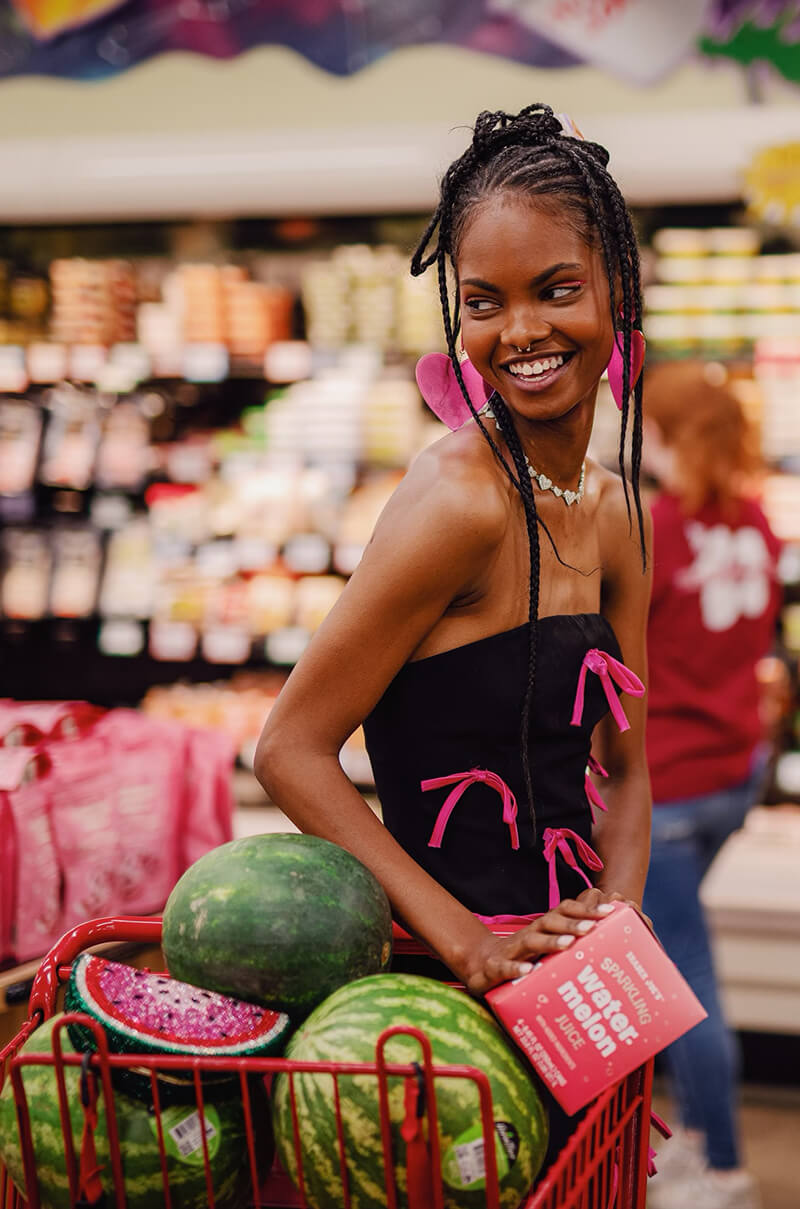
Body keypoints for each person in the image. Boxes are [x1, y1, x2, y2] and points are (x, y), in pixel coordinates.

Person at [256, 102, 652, 1164]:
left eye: (554, 290)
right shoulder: (455, 503)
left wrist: (609, 957)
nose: (517, 332)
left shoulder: (613, 509)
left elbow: (627, 769)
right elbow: (290, 749)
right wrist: (471, 947)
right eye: (482, 303)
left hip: (567, 997)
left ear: (618, 289)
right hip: (434, 1003)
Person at [641, 362, 781, 1209]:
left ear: (666, 436)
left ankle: (722, 1165)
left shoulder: (655, 524)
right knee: (686, 951)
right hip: (736, 771)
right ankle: (695, 1135)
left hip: (670, 784)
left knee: (685, 978)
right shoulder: (758, 519)